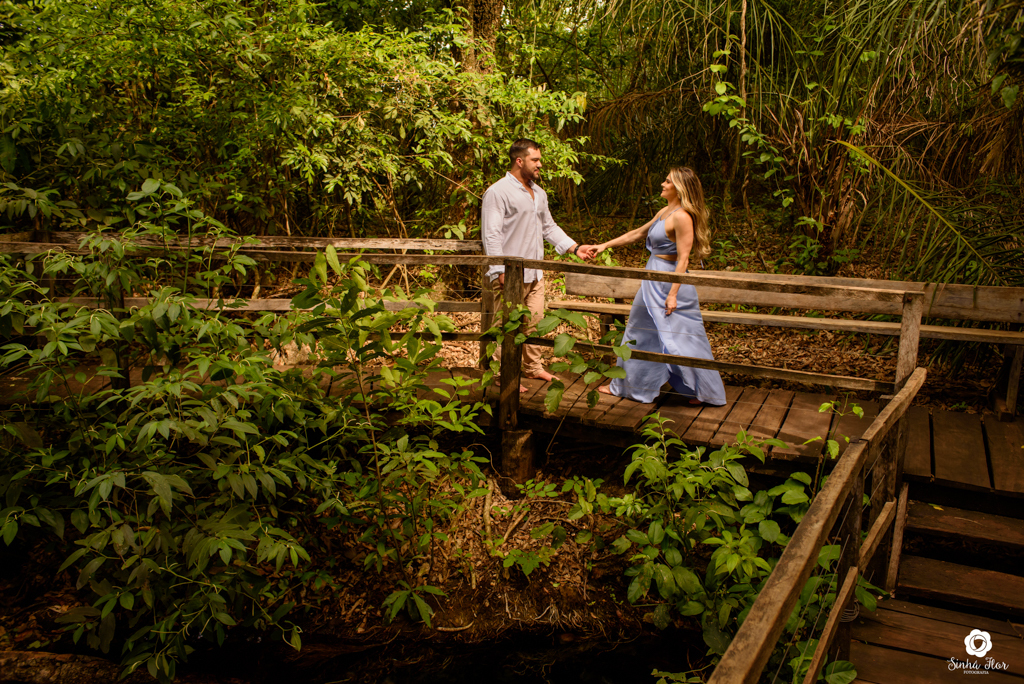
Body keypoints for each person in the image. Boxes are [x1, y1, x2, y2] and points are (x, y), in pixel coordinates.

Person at [596, 167, 726, 406]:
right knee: (638, 331)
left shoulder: (682, 217)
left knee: (685, 338)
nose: (662, 184)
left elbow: (683, 259)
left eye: (667, 181)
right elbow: (637, 233)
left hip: (670, 284)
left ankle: (704, 392)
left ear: (679, 187)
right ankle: (627, 386)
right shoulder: (665, 212)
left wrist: (673, 294)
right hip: (652, 280)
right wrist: (604, 245)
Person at [481, 138, 597, 384]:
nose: (540, 164)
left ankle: (532, 368)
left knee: (534, 323)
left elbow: (549, 227)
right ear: (519, 161)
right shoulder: (498, 192)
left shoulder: (539, 193)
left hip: (536, 273)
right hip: (510, 274)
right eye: (535, 160)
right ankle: (501, 373)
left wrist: (575, 248)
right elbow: (491, 234)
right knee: (505, 324)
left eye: (540, 160)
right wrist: (499, 270)